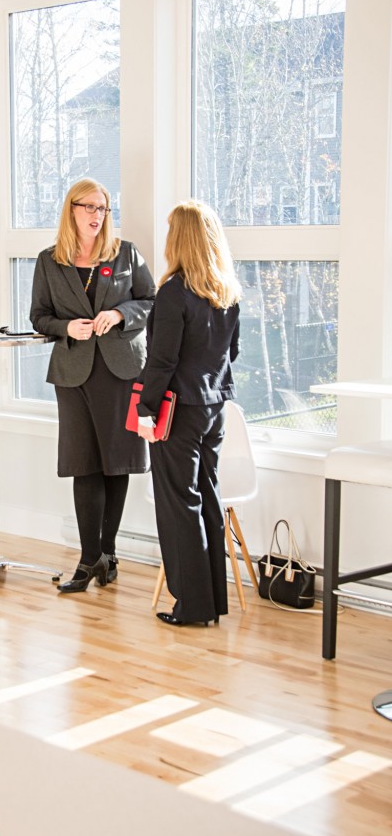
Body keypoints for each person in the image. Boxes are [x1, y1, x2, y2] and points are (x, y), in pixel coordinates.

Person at [30, 178, 156, 593]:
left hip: (121, 371)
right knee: (83, 463)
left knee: (116, 463)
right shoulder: (49, 261)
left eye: (102, 208)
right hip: (73, 373)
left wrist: (119, 315)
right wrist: (67, 327)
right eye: (89, 207)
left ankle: (108, 553)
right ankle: (89, 560)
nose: (97, 215)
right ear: (71, 209)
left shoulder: (125, 253)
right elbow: (39, 316)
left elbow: (150, 300)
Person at [137, 200, 241, 627]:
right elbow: (232, 353)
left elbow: (162, 360)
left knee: (179, 505)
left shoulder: (174, 292)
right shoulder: (227, 292)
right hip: (214, 408)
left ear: (179, 239)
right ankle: (211, 601)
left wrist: (145, 409)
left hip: (177, 411)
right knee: (206, 498)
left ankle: (192, 607)